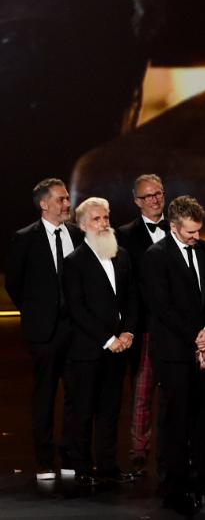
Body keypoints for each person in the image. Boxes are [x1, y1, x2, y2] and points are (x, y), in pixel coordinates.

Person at [141, 196, 205, 515]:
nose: (196, 237)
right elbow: (162, 307)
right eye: (190, 232)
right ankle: (175, 486)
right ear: (173, 227)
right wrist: (198, 339)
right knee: (176, 419)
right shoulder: (156, 256)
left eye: (198, 231)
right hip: (175, 353)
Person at [5, 178, 81, 480]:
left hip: (76, 329)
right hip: (44, 331)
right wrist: (37, 312)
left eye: (66, 199)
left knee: (77, 395)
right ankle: (45, 459)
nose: (67, 204)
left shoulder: (76, 234)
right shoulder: (25, 238)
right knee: (45, 394)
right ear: (44, 204)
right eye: (61, 200)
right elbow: (15, 283)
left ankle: (73, 456)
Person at [62, 197, 139, 485]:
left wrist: (128, 332)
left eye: (106, 217)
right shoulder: (74, 262)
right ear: (82, 225)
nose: (104, 223)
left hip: (120, 347)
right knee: (84, 410)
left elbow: (132, 296)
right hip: (89, 349)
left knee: (110, 409)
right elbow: (77, 308)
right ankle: (81, 467)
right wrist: (108, 339)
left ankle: (107, 465)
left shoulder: (122, 255)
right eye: (96, 219)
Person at [114, 174, 167, 474]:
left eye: (157, 194)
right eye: (146, 197)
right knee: (143, 390)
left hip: (176, 327)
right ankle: (138, 449)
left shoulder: (178, 227)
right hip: (145, 324)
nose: (154, 200)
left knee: (176, 389)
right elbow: (126, 283)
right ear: (136, 201)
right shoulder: (125, 235)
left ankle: (175, 445)